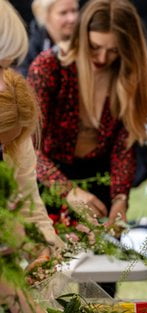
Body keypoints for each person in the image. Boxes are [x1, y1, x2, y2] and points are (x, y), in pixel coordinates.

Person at [27, 0, 147, 227]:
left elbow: (124, 145)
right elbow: (28, 146)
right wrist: (68, 191)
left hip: (98, 182)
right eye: (94, 47)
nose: (102, 59)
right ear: (81, 37)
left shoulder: (126, 77)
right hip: (48, 178)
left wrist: (120, 198)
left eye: (114, 51)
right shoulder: (49, 67)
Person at [0, 1, 63, 311]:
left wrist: (45, 248)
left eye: (8, 67)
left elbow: (27, 198)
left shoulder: (15, 136)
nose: (4, 81)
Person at [17, 0, 79, 76]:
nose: (72, 19)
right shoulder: (32, 47)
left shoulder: (87, 41)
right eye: (63, 13)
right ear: (45, 15)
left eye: (74, 10)